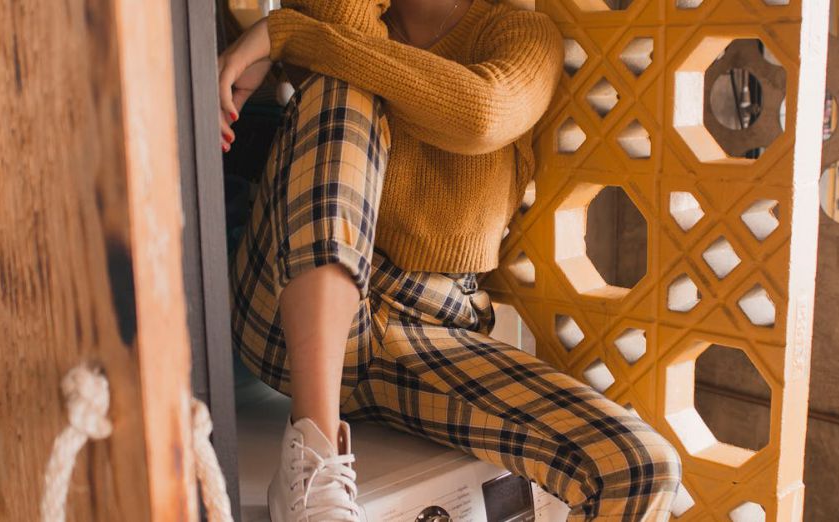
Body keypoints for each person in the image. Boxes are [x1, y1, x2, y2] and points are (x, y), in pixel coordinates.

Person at [218, 0, 682, 520]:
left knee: (639, 468)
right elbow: (340, 36)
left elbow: (480, 114)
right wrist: (303, 34)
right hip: (284, 312)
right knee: (342, 86)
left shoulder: (520, 33)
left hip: (428, 330)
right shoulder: (347, 17)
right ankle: (314, 459)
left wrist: (284, 34)